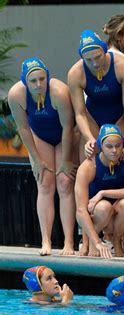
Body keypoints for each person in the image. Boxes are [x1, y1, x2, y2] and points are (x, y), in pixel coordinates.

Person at [8, 57, 77, 256]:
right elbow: (23, 128)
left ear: (47, 77)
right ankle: (45, 241)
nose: (39, 84)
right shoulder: (16, 95)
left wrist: (66, 161)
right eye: (33, 81)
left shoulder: (59, 92)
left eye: (42, 79)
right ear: (24, 82)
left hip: (64, 136)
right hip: (40, 137)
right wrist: (36, 160)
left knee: (64, 182)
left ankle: (69, 242)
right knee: (45, 183)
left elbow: (67, 128)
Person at [75, 124, 124, 258]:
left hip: (118, 214)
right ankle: (90, 240)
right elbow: (81, 211)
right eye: (109, 146)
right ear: (100, 146)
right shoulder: (88, 167)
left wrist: (103, 193)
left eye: (118, 146)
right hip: (96, 214)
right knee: (104, 207)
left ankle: (117, 241)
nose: (114, 151)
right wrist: (96, 242)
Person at [68, 29, 124, 161]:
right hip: (93, 118)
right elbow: (80, 113)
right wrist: (89, 138)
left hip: (119, 117)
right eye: (89, 60)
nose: (95, 63)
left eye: (98, 57)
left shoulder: (123, 66)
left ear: (105, 50)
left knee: (123, 161)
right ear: (82, 58)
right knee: (89, 164)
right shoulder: (75, 74)